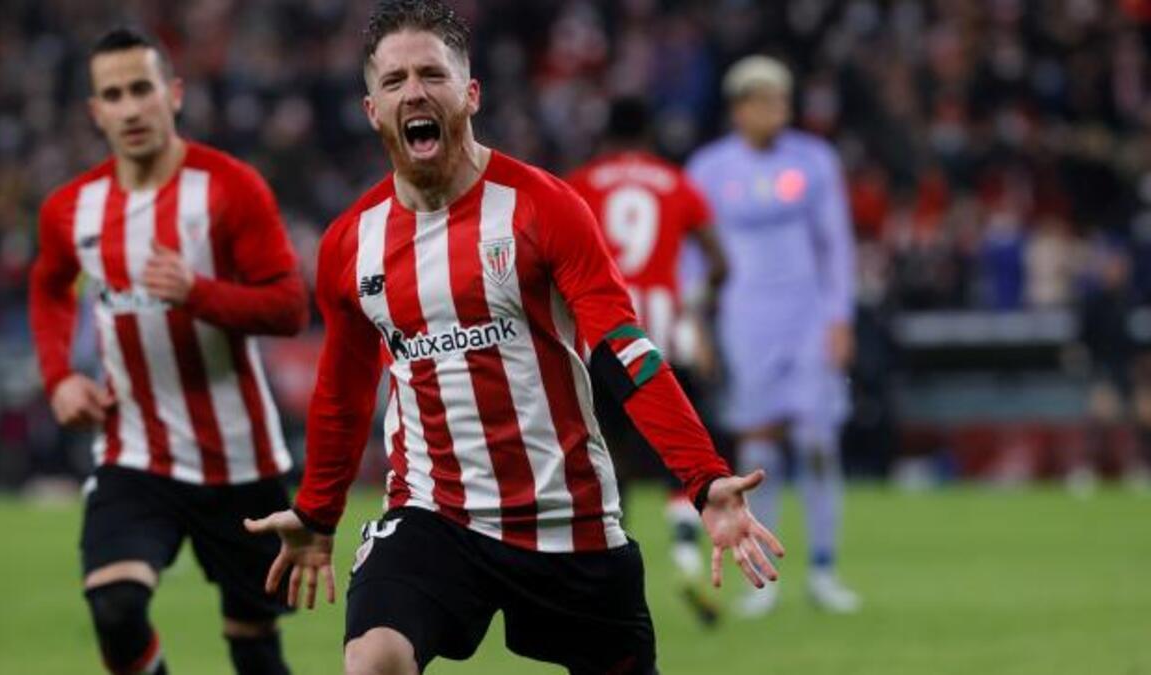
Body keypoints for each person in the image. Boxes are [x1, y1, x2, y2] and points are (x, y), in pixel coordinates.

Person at [243, 3, 783, 674]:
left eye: (432, 74)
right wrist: (319, 512)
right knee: (374, 659)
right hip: (433, 514)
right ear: (372, 109)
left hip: (568, 517)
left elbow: (621, 346)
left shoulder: (544, 207)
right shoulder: (352, 242)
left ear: (470, 94)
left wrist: (705, 479)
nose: (414, 90)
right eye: (394, 80)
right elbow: (343, 390)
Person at [29, 27, 307, 675]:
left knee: (254, 643)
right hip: (135, 450)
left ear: (172, 94)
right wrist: (59, 377)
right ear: (96, 111)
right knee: (116, 608)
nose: (129, 109)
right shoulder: (73, 208)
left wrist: (198, 292)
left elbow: (290, 306)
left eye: (141, 90)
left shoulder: (230, 187)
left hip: (238, 457)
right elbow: (46, 288)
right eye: (113, 96)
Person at [686, 55, 861, 617]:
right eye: (766, 100)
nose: (777, 111)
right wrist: (696, 322)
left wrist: (839, 317)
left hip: (807, 316)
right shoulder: (709, 170)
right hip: (745, 320)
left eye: (783, 100)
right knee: (759, 450)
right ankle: (765, 578)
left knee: (816, 443)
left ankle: (825, 569)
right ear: (740, 107)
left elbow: (836, 245)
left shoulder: (814, 161)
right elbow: (691, 255)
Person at [565, 97, 729, 627]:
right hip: (665, 336)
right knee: (677, 459)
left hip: (602, 337)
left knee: (605, 463)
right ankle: (686, 561)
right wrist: (696, 312)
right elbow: (721, 263)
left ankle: (607, 580)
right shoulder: (676, 183)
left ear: (606, 136)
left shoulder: (581, 183)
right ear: (650, 136)